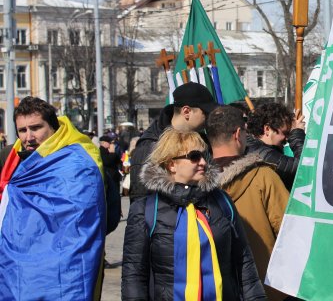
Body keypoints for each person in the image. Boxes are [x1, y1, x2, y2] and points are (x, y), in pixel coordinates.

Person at [122, 128, 265, 301]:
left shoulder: (222, 201)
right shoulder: (145, 209)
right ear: (171, 164)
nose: (203, 162)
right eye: (194, 156)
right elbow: (134, 275)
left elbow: (244, 261)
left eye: (205, 155)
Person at [0, 96, 106, 299]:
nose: (28, 137)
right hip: (17, 267)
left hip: (65, 267)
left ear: (54, 128)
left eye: (36, 128)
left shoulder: (77, 161)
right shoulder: (13, 159)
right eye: (22, 130)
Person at [208, 105, 290, 301]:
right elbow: (290, 233)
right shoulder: (263, 176)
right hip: (264, 287)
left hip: (214, 288)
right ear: (238, 133)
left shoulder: (195, 184)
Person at [129, 82, 218, 202]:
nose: (209, 118)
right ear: (186, 111)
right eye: (205, 113)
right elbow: (139, 203)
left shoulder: (204, 141)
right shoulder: (149, 147)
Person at [246, 102, 306, 191]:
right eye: (285, 133)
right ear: (267, 129)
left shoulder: (252, 147)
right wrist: (297, 134)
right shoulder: (260, 154)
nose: (287, 138)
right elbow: (304, 167)